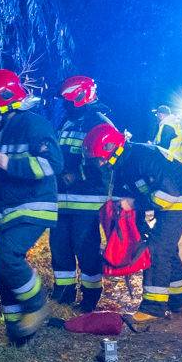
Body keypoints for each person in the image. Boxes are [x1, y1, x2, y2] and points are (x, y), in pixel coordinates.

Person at [0, 69, 63, 343]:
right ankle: (17, 329)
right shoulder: (2, 131)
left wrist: (10, 164)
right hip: (12, 207)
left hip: (34, 205)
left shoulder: (33, 124)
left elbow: (53, 164)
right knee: (1, 266)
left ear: (3, 100)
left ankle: (36, 305)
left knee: (8, 257)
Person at [83, 123, 182, 324]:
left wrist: (135, 204)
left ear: (112, 148)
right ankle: (178, 298)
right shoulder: (122, 161)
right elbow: (130, 193)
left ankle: (153, 307)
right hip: (168, 196)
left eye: (101, 159)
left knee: (157, 248)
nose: (100, 164)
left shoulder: (141, 158)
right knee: (166, 247)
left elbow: (167, 196)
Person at [50, 75, 112, 312]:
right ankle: (63, 292)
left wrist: (77, 175)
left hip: (87, 198)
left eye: (67, 100)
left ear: (79, 97)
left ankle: (90, 295)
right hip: (62, 197)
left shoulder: (99, 123)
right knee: (59, 246)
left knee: (86, 247)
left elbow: (106, 162)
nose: (63, 105)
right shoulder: (68, 121)